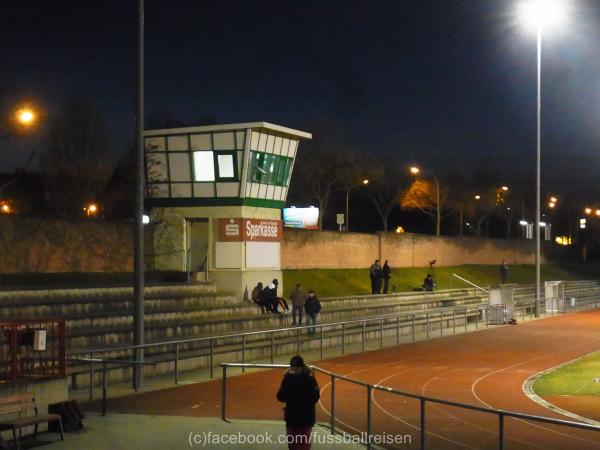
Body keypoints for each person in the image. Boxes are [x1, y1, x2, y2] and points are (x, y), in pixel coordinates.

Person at [276, 355, 320, 450]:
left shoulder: (309, 379)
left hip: (305, 419)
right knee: (292, 446)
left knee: (303, 446)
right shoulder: (288, 379)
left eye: (296, 367)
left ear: (301, 367)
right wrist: (289, 381)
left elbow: (315, 396)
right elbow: (280, 397)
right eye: (292, 367)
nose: (294, 369)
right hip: (292, 419)